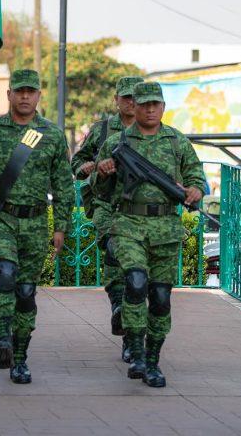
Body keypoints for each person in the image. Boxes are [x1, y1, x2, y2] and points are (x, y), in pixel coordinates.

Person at [93, 82, 206, 388]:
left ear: (163, 107)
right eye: (144, 104)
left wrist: (196, 189)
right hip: (129, 223)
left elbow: (197, 176)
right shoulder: (117, 142)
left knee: (159, 297)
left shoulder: (176, 142)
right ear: (135, 106)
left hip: (166, 228)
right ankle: (136, 351)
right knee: (135, 282)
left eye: (156, 104)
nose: (150, 109)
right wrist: (103, 172)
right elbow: (99, 191)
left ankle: (153, 360)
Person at [0, 69, 74, 384]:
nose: (25, 96)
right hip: (2, 217)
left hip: (35, 222)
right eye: (20, 91)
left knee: (26, 292)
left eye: (31, 91)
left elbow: (63, 185)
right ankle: (2, 337)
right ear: (9, 95)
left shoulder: (52, 134)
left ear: (39, 95)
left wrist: (60, 226)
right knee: (5, 274)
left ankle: (19, 358)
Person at [71, 76, 143, 362]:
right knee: (115, 251)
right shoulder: (102, 131)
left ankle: (128, 326)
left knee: (137, 277)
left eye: (136, 98)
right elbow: (77, 162)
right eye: (126, 98)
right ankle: (118, 307)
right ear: (116, 100)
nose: (131, 102)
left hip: (137, 212)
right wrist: (87, 168)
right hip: (106, 205)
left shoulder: (153, 133)